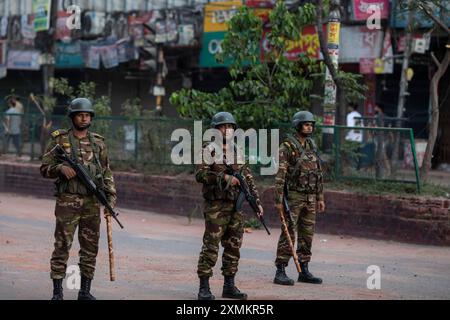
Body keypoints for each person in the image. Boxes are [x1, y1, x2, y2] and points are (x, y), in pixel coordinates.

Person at [40, 98, 116, 300]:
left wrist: (110, 200)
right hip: (67, 202)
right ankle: (57, 292)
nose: (84, 118)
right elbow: (44, 168)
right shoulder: (59, 140)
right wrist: (60, 169)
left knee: (90, 248)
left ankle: (84, 291)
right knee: (62, 245)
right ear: (72, 116)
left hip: (92, 203)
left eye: (88, 115)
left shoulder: (98, 143)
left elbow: (106, 173)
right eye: (81, 114)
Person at [195, 111, 264, 300]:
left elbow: (248, 179)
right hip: (216, 207)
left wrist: (256, 202)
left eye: (231, 127)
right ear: (216, 129)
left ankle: (229, 285)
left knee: (234, 246)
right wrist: (224, 177)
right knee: (211, 246)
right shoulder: (208, 150)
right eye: (224, 126)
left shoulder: (238, 151)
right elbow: (200, 175)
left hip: (236, 207)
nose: (228, 130)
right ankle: (204, 287)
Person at [273, 111, 325, 286]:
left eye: (311, 124)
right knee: (289, 233)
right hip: (294, 196)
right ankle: (280, 270)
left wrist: (320, 197)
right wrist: (278, 200)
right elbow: (280, 175)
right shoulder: (287, 147)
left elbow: (318, 173)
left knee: (307, 235)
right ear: (297, 126)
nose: (309, 126)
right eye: (306, 124)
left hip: (310, 197)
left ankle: (304, 269)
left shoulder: (312, 145)